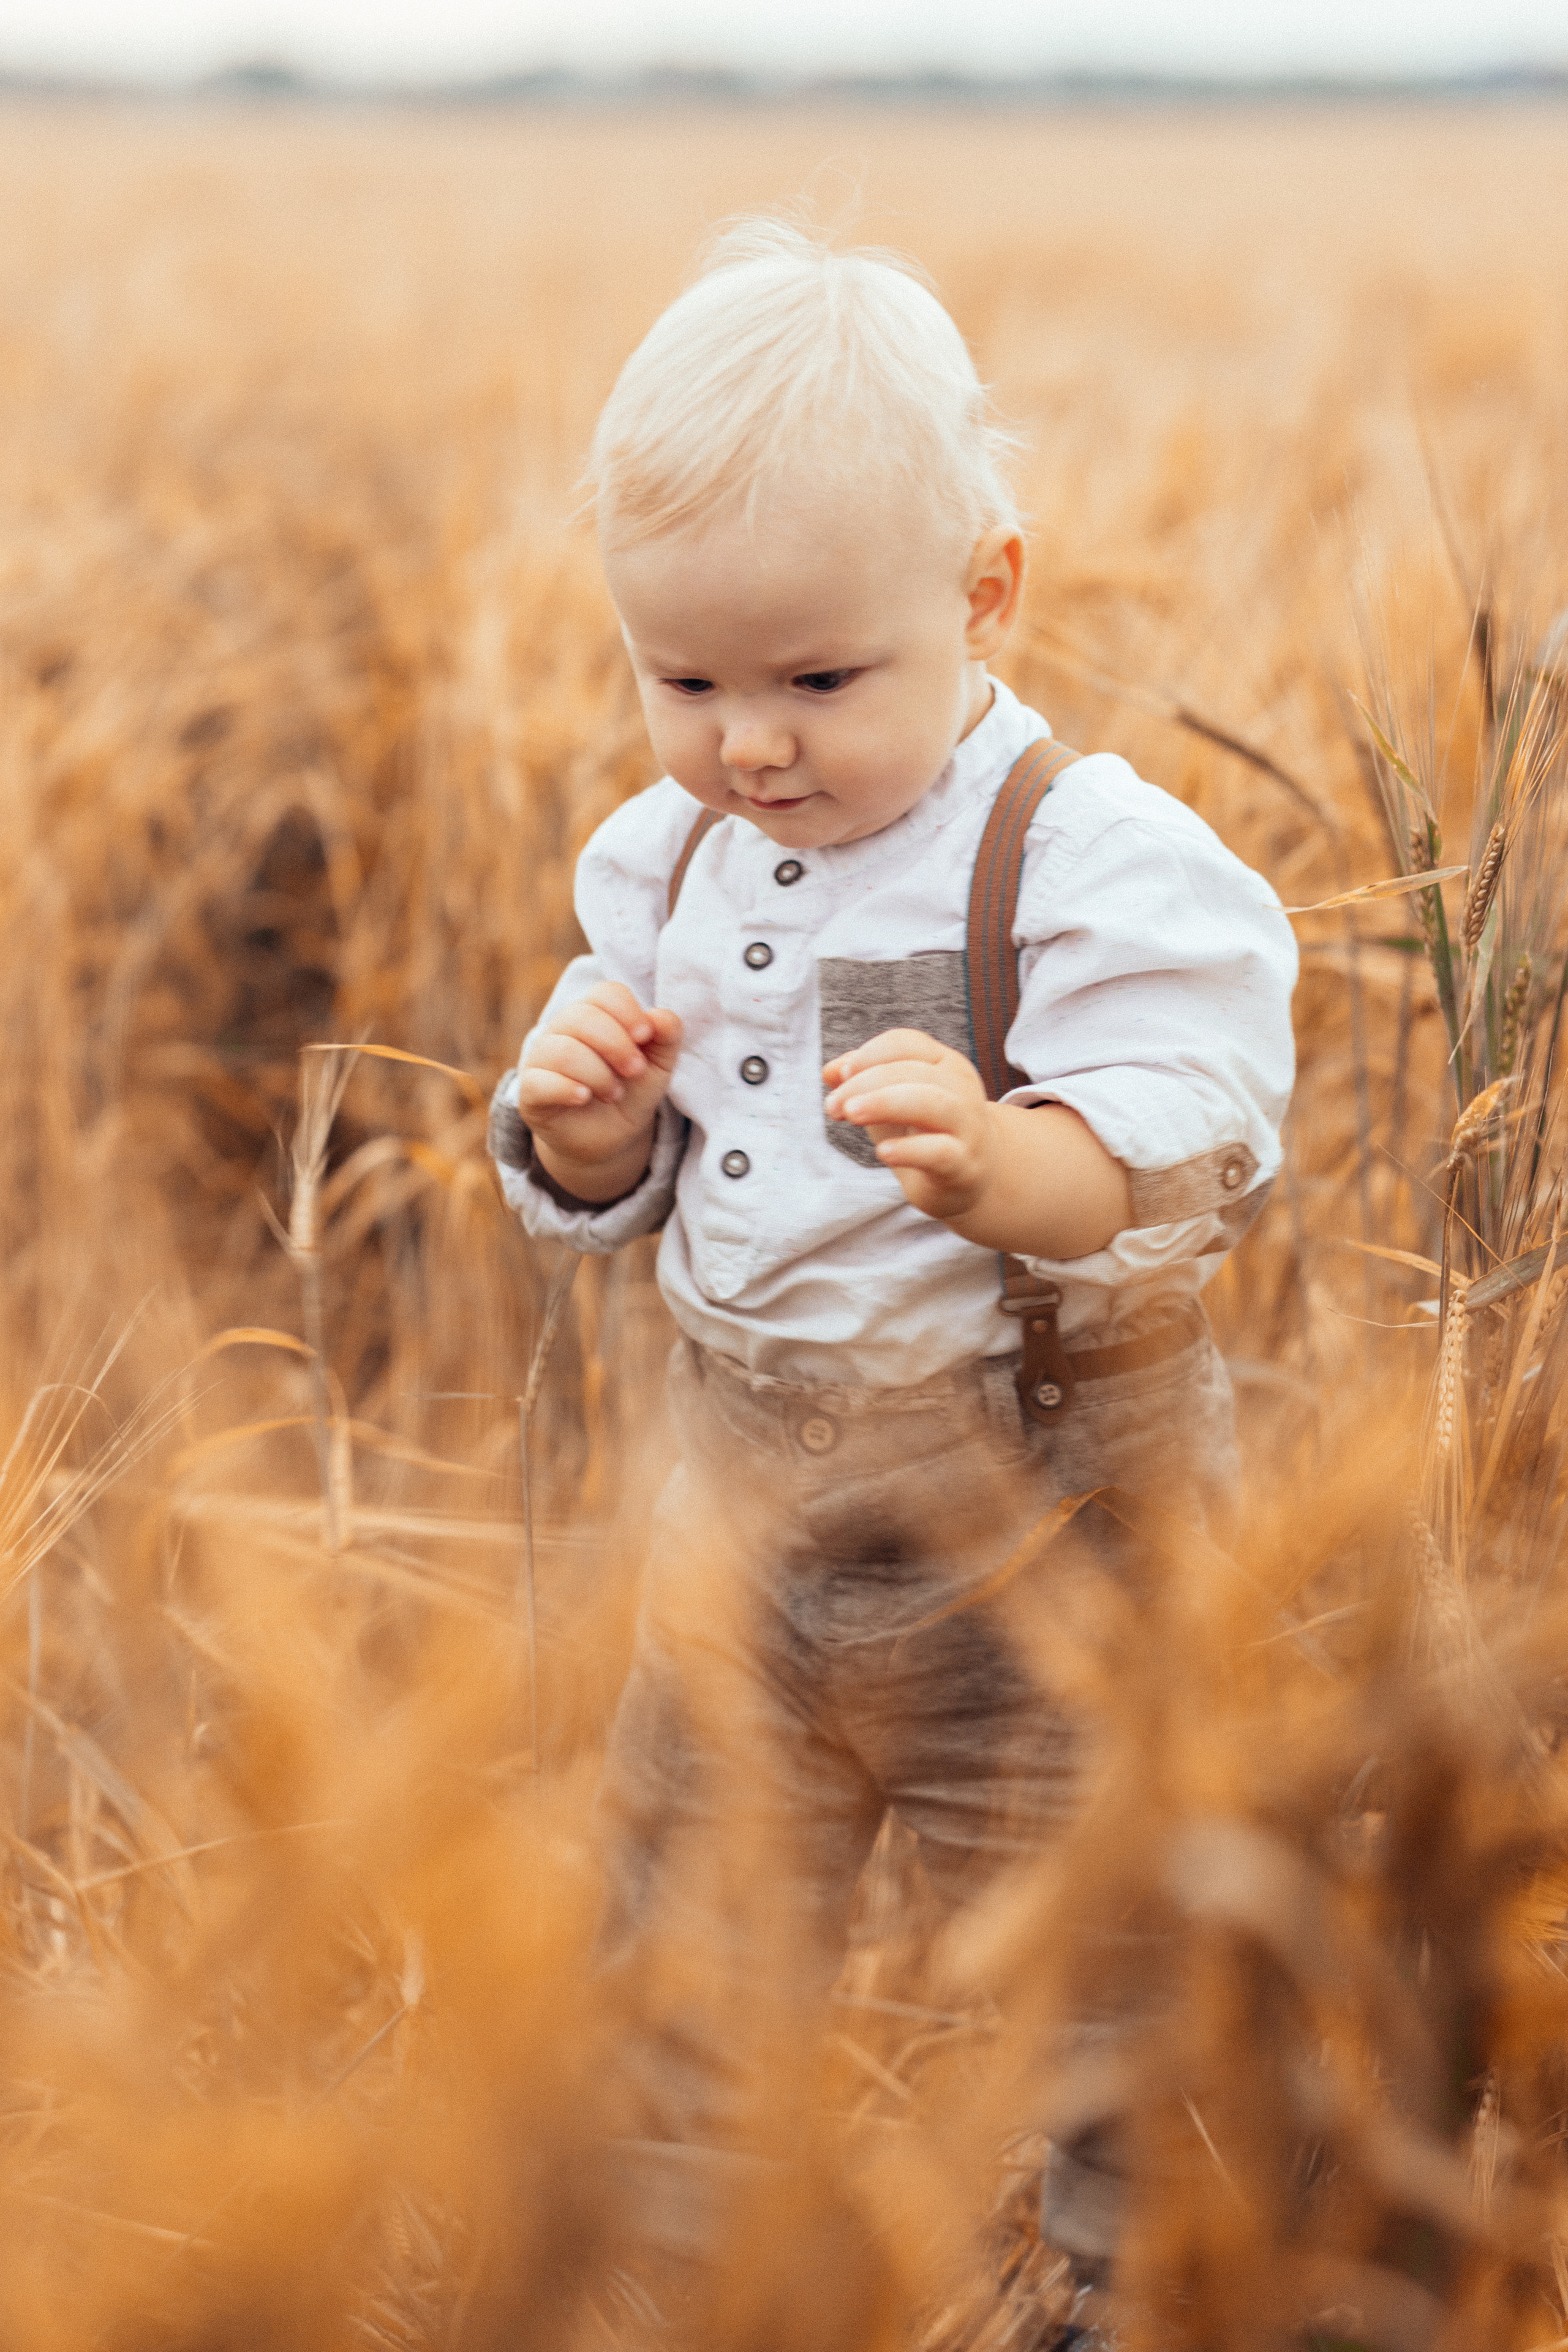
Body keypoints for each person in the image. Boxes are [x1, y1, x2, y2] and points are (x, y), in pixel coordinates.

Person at [488, 217, 1297, 2341]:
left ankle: (1147, 2293)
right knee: (683, 1956)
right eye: (686, 682)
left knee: (1106, 1965)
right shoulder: (663, 862)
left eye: (818, 682)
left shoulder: (1079, 854)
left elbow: (1201, 1130)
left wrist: (1023, 1165)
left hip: (1028, 1541)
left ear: (984, 595)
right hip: (740, 1524)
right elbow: (643, 1180)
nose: (750, 743)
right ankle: (671, 2278)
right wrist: (583, 1133)